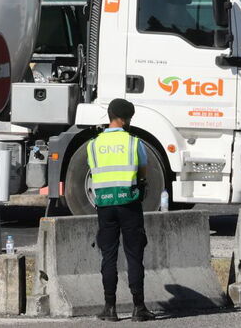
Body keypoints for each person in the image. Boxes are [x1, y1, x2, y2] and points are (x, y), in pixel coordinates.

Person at [87, 98, 156, 322]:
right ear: (125, 119)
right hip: (129, 203)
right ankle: (138, 307)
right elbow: (143, 169)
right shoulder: (134, 143)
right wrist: (141, 183)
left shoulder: (93, 145)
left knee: (109, 255)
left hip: (104, 205)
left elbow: (94, 170)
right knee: (134, 254)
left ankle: (110, 308)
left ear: (110, 116)